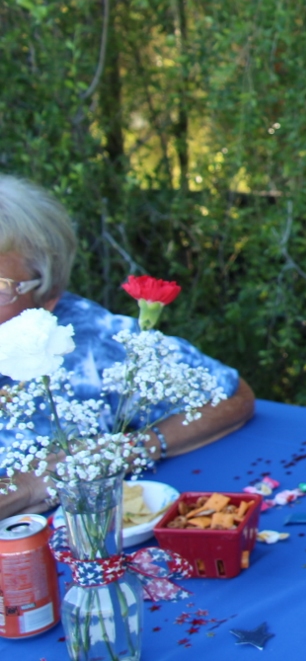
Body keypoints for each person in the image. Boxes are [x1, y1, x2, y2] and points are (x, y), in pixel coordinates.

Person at [0, 174, 255, 520]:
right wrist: (25, 487)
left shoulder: (90, 341)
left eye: (0, 287)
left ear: (47, 294)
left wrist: (126, 451)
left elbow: (231, 395)